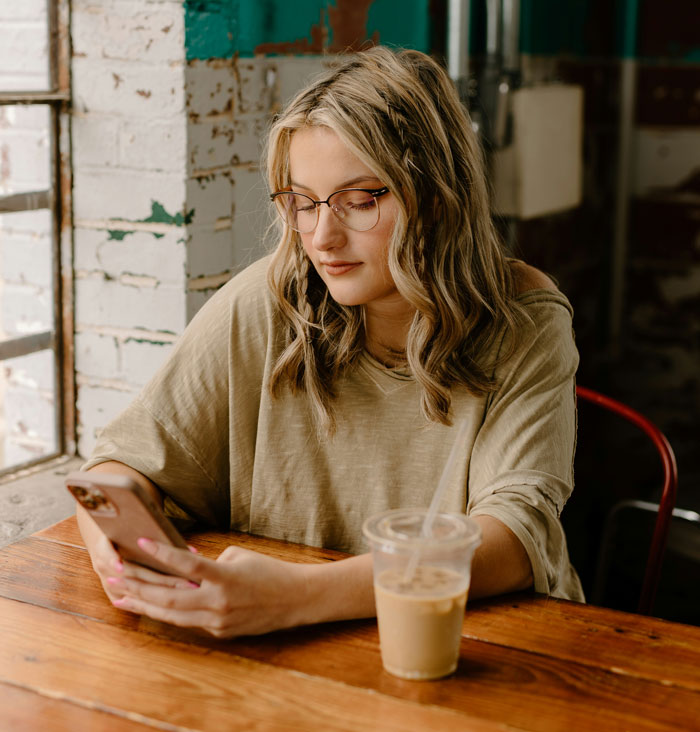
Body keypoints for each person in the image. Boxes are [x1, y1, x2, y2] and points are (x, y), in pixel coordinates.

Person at [78, 46, 584, 639]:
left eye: (360, 200)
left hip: (481, 648)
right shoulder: (266, 302)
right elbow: (118, 470)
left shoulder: (523, 319)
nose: (322, 237)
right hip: (300, 657)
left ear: (439, 197)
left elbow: (515, 540)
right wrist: (120, 558)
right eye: (302, 202)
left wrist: (294, 598)